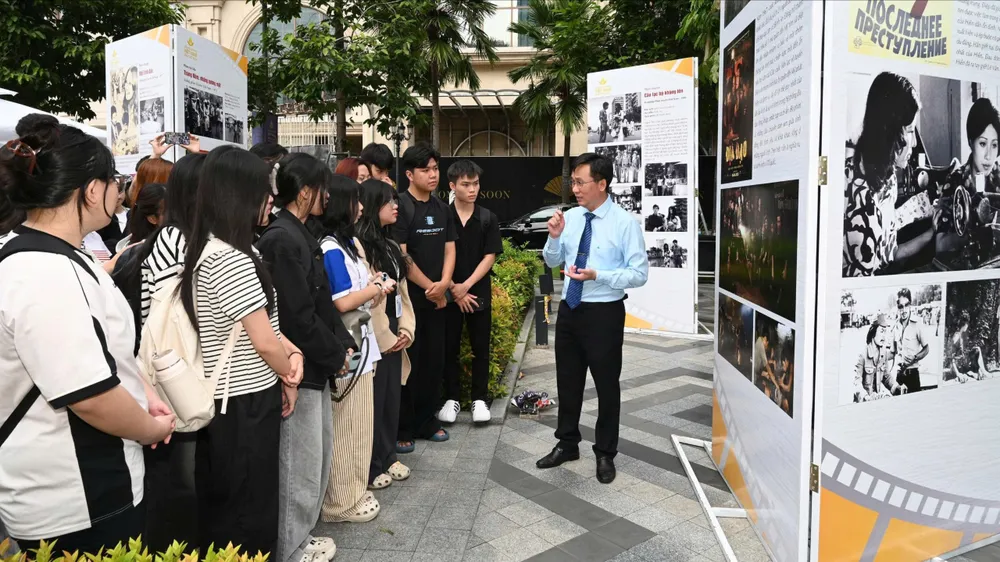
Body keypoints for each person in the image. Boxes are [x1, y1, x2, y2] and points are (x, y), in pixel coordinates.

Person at [0, 125, 175, 553]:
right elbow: (90, 395)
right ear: (92, 190)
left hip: (80, 484)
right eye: (114, 180)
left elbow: (98, 349)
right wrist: (150, 427)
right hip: (78, 496)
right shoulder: (44, 272)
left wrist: (144, 392)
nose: (119, 190)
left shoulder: (52, 252)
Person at [179, 146, 302, 556]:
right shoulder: (230, 258)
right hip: (243, 402)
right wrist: (289, 372)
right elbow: (264, 340)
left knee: (233, 505)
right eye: (263, 189)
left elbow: (267, 330)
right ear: (238, 194)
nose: (270, 199)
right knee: (248, 511)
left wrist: (289, 360)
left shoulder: (215, 248)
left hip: (234, 399)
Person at [257, 154, 355, 562]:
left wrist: (341, 343)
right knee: (298, 464)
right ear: (303, 192)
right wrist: (334, 354)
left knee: (315, 459)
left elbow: (321, 303)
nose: (327, 195)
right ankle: (290, 546)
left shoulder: (300, 232)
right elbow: (297, 316)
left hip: (316, 364)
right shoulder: (281, 238)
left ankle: (301, 536)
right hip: (299, 370)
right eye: (321, 187)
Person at [537, 153, 648, 484]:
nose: (574, 189)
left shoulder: (624, 223)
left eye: (580, 182)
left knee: (606, 385)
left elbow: (639, 273)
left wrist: (599, 274)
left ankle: (605, 453)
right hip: (570, 309)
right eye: (573, 182)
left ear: (602, 184)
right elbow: (551, 261)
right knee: (568, 380)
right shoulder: (570, 218)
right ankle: (567, 443)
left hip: (604, 313)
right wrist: (554, 236)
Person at [319, 174, 390, 523]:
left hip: (363, 345)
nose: (361, 207)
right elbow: (342, 301)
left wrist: (374, 287)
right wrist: (375, 287)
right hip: (350, 348)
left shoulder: (347, 244)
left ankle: (355, 491)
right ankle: (341, 502)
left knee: (360, 425)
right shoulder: (330, 248)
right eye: (354, 201)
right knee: (347, 428)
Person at [392, 144, 457, 450]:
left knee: (434, 361)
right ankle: (403, 427)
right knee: (410, 362)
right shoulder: (400, 207)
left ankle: (427, 422)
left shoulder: (442, 208)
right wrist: (431, 287)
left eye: (435, 169)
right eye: (425, 170)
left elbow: (450, 248)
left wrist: (443, 284)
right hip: (410, 300)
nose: (433, 175)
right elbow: (401, 256)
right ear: (409, 174)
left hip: (438, 299)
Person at [356, 179, 415, 490]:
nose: (395, 206)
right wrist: (387, 338)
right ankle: (372, 465)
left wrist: (405, 329)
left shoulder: (391, 245)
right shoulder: (358, 246)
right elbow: (368, 298)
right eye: (388, 201)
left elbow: (402, 292)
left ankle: (389, 455)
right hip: (375, 334)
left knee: (392, 399)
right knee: (373, 403)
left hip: (394, 329)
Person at [439, 160, 503, 424]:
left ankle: (479, 399)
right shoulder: (442, 216)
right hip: (448, 294)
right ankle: (451, 398)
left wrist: (465, 287)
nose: (472, 189)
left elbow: (490, 256)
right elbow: (436, 256)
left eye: (475, 183)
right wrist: (454, 288)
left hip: (478, 293)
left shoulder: (487, 218)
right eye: (466, 184)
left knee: (480, 348)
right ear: (452, 186)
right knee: (448, 348)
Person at [843, 72, 922, 276]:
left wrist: (933, 232)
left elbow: (891, 253)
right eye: (910, 130)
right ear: (890, 131)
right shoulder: (861, 202)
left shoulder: (888, 178)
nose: (914, 143)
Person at [890, 288, 927, 394]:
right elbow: (892, 352)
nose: (904, 310)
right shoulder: (895, 326)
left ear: (910, 305)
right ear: (898, 307)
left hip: (913, 375)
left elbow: (927, 348)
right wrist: (878, 355)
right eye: (901, 306)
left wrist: (915, 358)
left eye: (906, 305)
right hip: (899, 376)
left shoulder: (917, 324)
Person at [946, 311, 997, 383]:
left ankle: (983, 371)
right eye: (967, 323)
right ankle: (980, 372)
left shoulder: (962, 334)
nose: (968, 326)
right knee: (975, 351)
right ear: (965, 324)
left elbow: (964, 350)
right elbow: (951, 358)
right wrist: (958, 373)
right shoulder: (956, 337)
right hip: (958, 364)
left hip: (963, 360)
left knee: (977, 349)